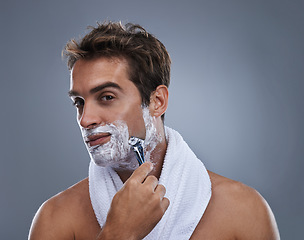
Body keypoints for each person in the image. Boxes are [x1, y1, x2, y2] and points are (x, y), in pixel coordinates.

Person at [29, 22, 280, 240]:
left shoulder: (244, 210)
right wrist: (118, 233)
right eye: (79, 103)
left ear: (157, 101)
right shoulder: (56, 220)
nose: (85, 119)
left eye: (106, 97)